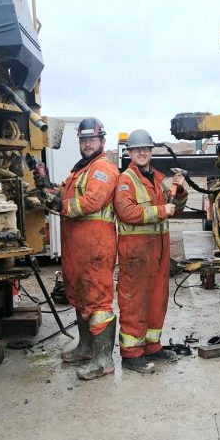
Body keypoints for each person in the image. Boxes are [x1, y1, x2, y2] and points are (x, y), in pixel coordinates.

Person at [47, 117, 119, 380]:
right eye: (83, 140)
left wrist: (59, 205)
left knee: (97, 301)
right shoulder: (80, 169)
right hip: (76, 246)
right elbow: (67, 194)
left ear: (102, 141)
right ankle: (86, 348)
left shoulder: (103, 169)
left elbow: (91, 201)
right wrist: (49, 190)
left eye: (92, 140)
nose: (87, 144)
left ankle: (103, 361)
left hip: (95, 247)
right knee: (78, 296)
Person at [114, 129, 187, 373]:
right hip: (136, 253)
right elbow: (127, 212)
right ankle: (132, 353)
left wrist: (180, 191)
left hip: (158, 251)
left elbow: (174, 208)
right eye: (137, 149)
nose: (142, 152)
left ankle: (152, 345)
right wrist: (159, 211)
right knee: (134, 301)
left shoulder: (156, 179)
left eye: (146, 148)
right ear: (130, 153)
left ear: (151, 151)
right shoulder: (126, 180)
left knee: (157, 299)